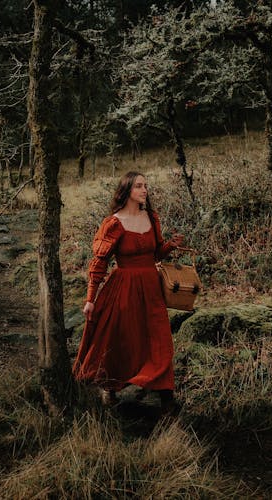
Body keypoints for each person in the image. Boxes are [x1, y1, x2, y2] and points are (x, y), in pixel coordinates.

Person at [72, 171, 184, 415]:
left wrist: (169, 247)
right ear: (127, 191)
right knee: (122, 339)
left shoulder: (152, 218)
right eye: (139, 186)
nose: (145, 190)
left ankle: (166, 397)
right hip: (124, 287)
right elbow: (99, 263)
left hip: (152, 287)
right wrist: (90, 299)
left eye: (146, 186)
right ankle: (110, 388)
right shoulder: (113, 223)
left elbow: (154, 255)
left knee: (159, 339)